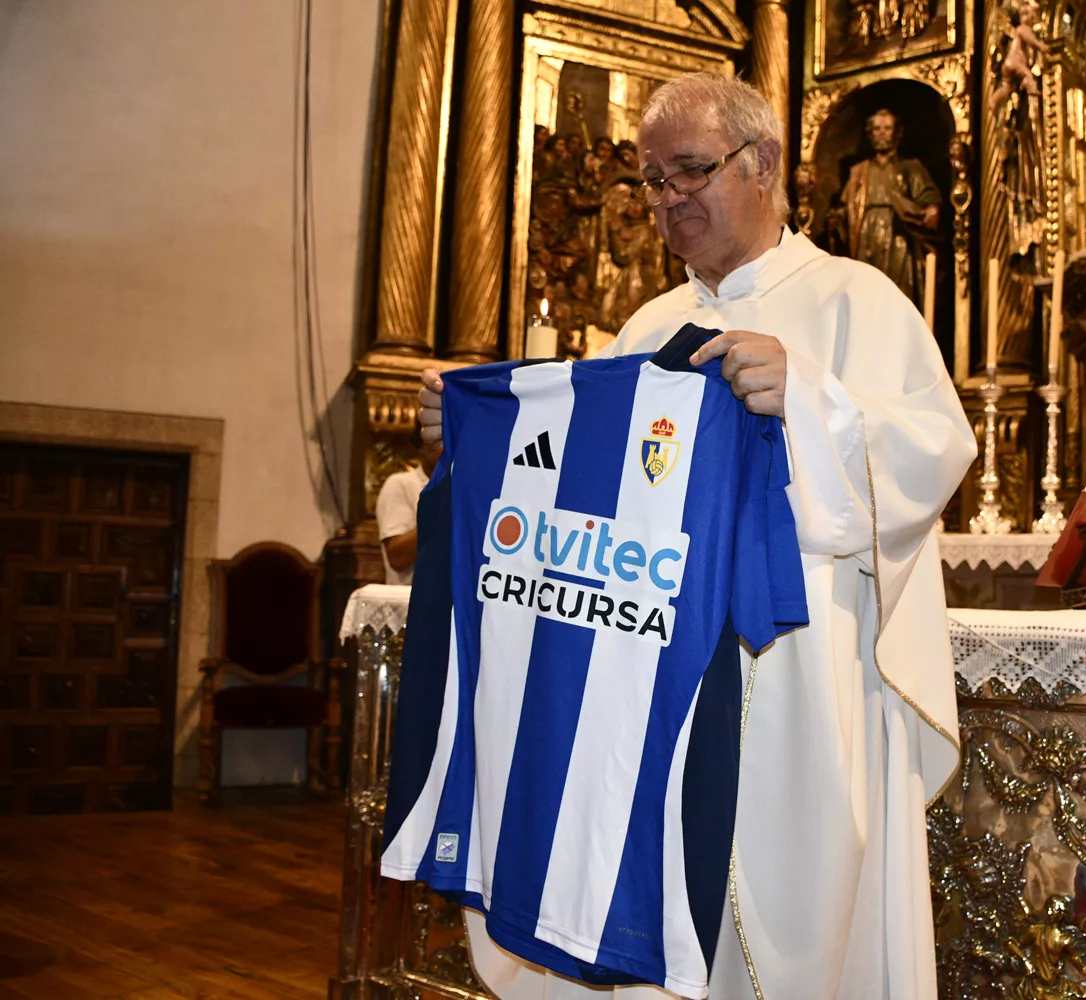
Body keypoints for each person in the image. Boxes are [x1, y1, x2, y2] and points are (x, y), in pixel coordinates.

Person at [417, 72, 976, 1000]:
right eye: (651, 181)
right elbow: (577, 506)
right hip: (645, 683)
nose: (667, 200)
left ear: (762, 164)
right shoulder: (647, 325)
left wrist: (806, 396)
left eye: (687, 172)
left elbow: (931, 455)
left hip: (794, 679)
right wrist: (479, 439)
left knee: (786, 928)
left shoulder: (856, 300)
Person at [832, 108, 942, 305]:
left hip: (898, 236)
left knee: (898, 294)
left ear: (897, 133)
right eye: (877, 129)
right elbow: (846, 208)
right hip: (866, 236)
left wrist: (930, 211)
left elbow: (928, 197)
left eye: (887, 128)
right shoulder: (859, 171)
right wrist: (837, 220)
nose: (881, 133)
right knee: (866, 294)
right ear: (870, 134)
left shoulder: (910, 167)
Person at [374, 424, 443, 585]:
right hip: (410, 601)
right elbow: (398, 558)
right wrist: (446, 509)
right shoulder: (400, 484)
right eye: (441, 440)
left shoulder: (468, 491)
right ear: (421, 446)